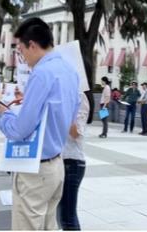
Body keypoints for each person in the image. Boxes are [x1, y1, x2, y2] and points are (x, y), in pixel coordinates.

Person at [0, 17, 80, 230]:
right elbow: (70, 117)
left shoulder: (41, 74)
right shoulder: (70, 71)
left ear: (32, 45)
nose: (21, 57)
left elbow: (21, 129)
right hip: (56, 165)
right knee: (48, 226)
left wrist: (5, 114)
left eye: (20, 50)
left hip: (34, 169)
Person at [58, 92, 89, 230]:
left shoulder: (79, 96)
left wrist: (62, 109)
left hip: (72, 162)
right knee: (60, 213)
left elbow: (76, 133)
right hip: (57, 160)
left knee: (68, 216)